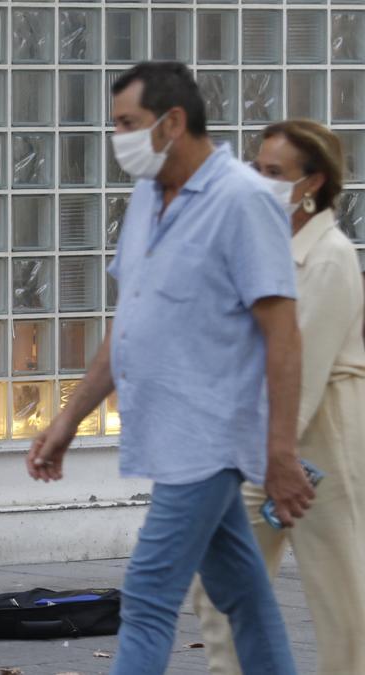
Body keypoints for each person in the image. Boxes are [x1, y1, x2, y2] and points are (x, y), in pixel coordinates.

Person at [24, 61, 314, 675]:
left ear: (173, 122)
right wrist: (69, 418)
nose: (118, 138)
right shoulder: (147, 197)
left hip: (210, 438)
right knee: (247, 596)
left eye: (128, 123)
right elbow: (131, 328)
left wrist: (282, 453)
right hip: (167, 434)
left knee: (151, 593)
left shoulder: (244, 200)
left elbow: (283, 336)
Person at [190, 120, 365, 674]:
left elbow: (304, 371)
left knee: (339, 596)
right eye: (255, 168)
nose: (257, 180)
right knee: (218, 584)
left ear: (312, 182)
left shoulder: (331, 255)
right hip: (256, 434)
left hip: (321, 438)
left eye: (273, 172)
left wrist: (273, 456)